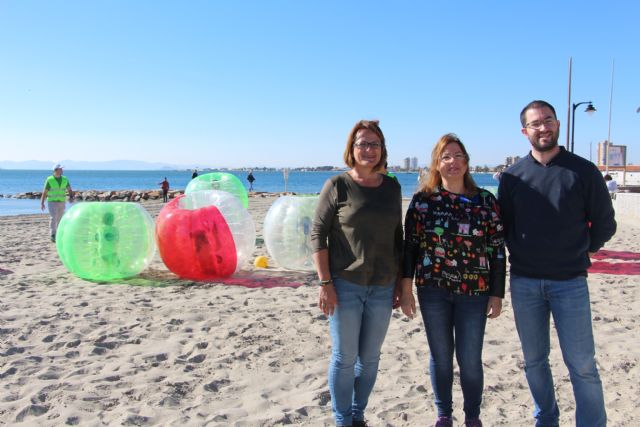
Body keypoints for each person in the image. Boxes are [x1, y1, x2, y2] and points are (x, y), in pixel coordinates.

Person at [498, 100, 616, 427]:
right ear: (525, 131)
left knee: (582, 365)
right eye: (535, 123)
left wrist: (580, 251)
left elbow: (605, 223)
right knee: (535, 362)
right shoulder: (511, 178)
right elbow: (504, 228)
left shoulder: (583, 170)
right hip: (524, 284)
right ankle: (546, 419)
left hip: (570, 283)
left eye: (548, 120)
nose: (543, 127)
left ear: (558, 123)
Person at [399, 134, 506, 427]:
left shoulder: (485, 201)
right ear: (437, 163)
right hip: (432, 290)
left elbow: (497, 250)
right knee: (441, 357)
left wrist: (497, 294)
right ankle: (444, 414)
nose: (453, 161)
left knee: (470, 359)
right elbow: (410, 247)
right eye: (446, 156)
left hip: (475, 292)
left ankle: (472, 417)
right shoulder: (423, 202)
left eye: (458, 155)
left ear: (467, 161)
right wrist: (405, 289)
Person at [311, 119, 403, 427]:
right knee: (345, 358)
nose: (369, 149)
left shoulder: (392, 186)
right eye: (362, 143)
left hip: (383, 286)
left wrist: (403, 284)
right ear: (352, 148)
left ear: (382, 149)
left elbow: (397, 237)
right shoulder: (337, 185)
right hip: (345, 285)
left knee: (371, 358)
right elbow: (318, 234)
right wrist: (325, 283)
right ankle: (343, 419)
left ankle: (358, 414)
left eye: (374, 144)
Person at [40, 164, 74, 242]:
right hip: (52, 201)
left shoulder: (65, 179)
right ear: (56, 170)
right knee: (53, 217)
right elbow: (45, 192)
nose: (62, 170)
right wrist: (42, 202)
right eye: (61, 169)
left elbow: (69, 189)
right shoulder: (50, 179)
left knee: (60, 218)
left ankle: (59, 233)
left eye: (62, 169)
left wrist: (71, 197)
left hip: (62, 201)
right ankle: (53, 234)